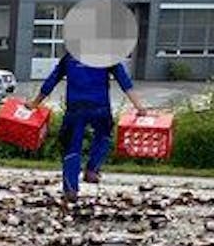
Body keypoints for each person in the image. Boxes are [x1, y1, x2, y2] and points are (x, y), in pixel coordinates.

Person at [30, 52, 147, 201]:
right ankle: (92, 169)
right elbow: (125, 82)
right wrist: (139, 106)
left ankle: (71, 189)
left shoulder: (70, 57)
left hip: (75, 108)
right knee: (104, 135)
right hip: (100, 107)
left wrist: (34, 103)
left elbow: (51, 81)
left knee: (71, 146)